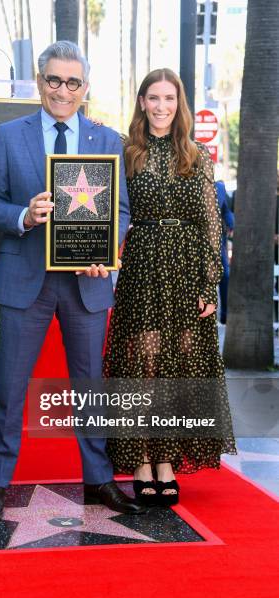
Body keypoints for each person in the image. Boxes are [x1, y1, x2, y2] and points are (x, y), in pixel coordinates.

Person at [0, 41, 144, 523]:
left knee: (90, 387)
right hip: (24, 278)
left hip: (85, 284)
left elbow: (122, 211)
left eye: (73, 82)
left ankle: (99, 479)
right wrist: (25, 215)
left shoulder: (105, 140)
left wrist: (105, 251)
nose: (63, 90)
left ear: (85, 88)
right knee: (9, 386)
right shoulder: (8, 137)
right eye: (54, 80)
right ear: (39, 81)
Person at [103, 68, 236, 506]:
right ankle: (141, 459)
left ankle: (166, 461)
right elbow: (110, 212)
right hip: (142, 265)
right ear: (141, 102)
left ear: (179, 105)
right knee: (143, 363)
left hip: (185, 269)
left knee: (178, 370)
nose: (161, 106)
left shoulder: (196, 157)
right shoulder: (126, 154)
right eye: (153, 98)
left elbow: (210, 227)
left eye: (169, 99)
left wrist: (208, 284)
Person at [215, 180, 234, 324]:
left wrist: (232, 224)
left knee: (225, 275)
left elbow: (226, 209)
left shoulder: (220, 187)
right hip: (196, 238)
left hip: (218, 238)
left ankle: (225, 314)